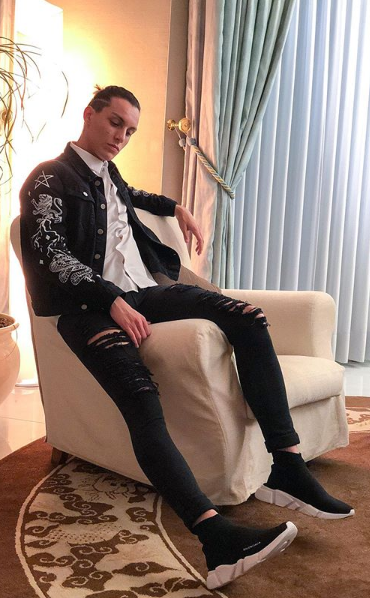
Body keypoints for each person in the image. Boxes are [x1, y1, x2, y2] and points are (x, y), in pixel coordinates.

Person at [19, 85, 353, 590]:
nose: (121, 137)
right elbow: (48, 251)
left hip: (143, 294)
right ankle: (216, 539)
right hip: (87, 311)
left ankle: (286, 464)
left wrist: (174, 206)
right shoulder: (48, 177)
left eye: (130, 131)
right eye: (115, 123)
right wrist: (109, 297)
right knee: (141, 399)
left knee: (247, 317)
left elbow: (130, 196)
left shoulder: (108, 174)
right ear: (89, 114)